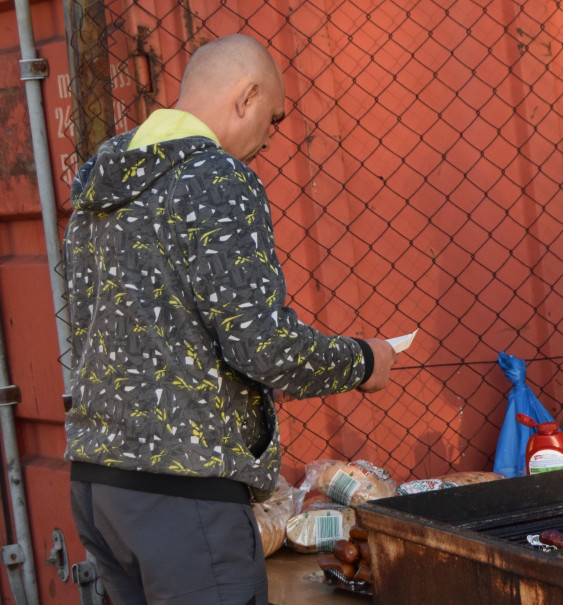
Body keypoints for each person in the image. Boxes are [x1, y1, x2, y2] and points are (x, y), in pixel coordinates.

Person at [62, 34, 397, 604]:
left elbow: (122, 335)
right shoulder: (217, 176)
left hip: (102, 490)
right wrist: (364, 361)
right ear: (246, 97)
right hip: (183, 496)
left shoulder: (103, 185)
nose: (270, 137)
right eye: (273, 116)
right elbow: (261, 345)